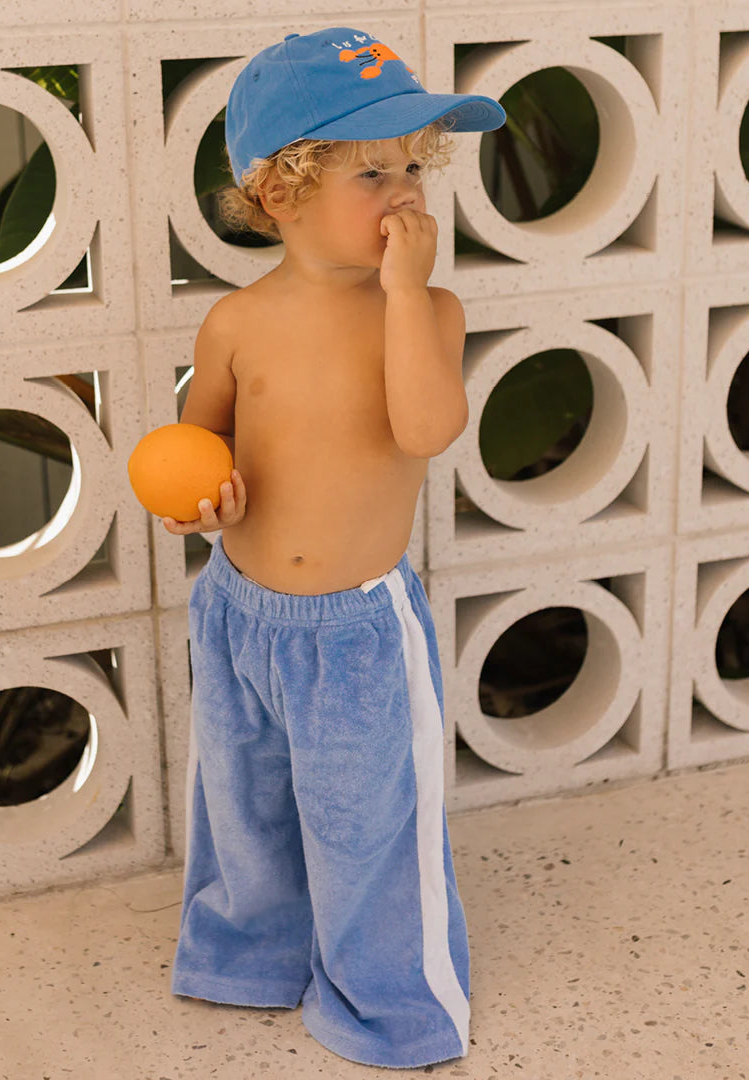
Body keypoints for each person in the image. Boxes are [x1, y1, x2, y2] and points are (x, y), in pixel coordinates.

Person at [163, 26, 505, 1068]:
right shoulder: (233, 323)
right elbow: (206, 443)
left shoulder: (428, 312)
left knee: (371, 830)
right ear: (280, 193)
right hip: (239, 612)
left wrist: (403, 295)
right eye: (371, 172)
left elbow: (426, 430)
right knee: (244, 802)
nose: (404, 194)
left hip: (358, 628)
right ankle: (249, 957)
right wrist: (198, 505)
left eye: (412, 166)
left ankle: (387, 1001)